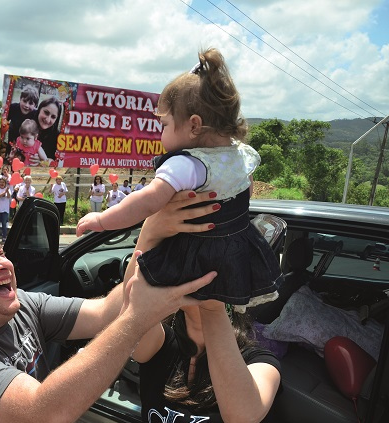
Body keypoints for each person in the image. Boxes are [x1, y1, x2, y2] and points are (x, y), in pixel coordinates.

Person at [0, 191, 220, 422]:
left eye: (1, 252)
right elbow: (44, 412)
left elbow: (105, 313)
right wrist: (137, 320)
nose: (4, 264)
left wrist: (152, 232)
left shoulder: (23, 306)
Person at [77, 48, 283, 314]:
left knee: (137, 299)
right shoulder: (240, 154)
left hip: (193, 256)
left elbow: (147, 202)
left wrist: (102, 220)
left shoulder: (187, 163)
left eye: (164, 124)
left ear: (194, 126)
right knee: (210, 307)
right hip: (233, 253)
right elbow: (247, 188)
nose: (160, 133)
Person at [129, 202, 280, 422]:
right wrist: (150, 232)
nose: (195, 278)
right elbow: (132, 305)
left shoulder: (260, 362)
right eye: (186, 267)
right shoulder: (159, 344)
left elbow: (242, 417)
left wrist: (213, 304)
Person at [6, 84, 39, 152]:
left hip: (27, 140)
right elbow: (4, 121)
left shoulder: (36, 114)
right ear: (20, 99)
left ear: (35, 105)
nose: (26, 105)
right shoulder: (13, 107)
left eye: (30, 103)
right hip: (13, 134)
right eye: (24, 101)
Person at [30, 97, 62, 163]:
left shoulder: (58, 137)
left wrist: (43, 161)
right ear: (39, 110)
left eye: (53, 117)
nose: (48, 120)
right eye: (46, 113)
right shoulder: (26, 124)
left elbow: (55, 161)